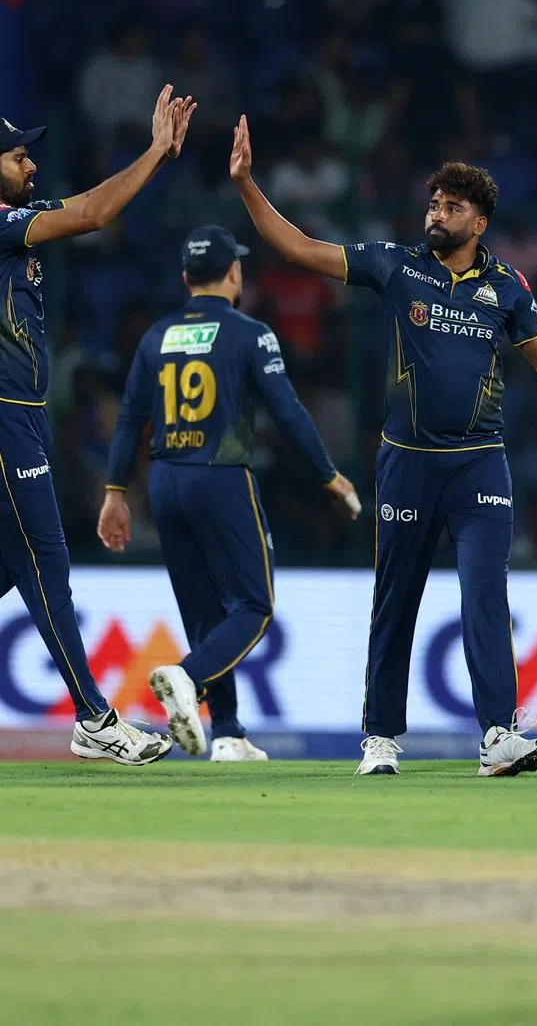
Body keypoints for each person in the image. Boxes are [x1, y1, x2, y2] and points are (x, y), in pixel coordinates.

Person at [228, 115, 537, 777]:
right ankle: (381, 740)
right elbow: (302, 248)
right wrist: (248, 185)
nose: (437, 213)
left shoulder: (507, 286)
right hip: (409, 463)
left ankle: (498, 737)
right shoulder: (397, 267)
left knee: (486, 594)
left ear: (479, 223)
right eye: (434, 203)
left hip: (481, 461)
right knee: (398, 596)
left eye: (452, 206)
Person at [97, 225, 360, 760]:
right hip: (220, 475)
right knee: (254, 606)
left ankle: (229, 732)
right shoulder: (249, 333)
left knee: (204, 613)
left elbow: (128, 419)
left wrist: (115, 491)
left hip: (165, 481)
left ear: (185, 278)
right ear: (235, 273)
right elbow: (287, 410)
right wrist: (328, 473)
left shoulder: (157, 335)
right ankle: (188, 678)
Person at [0, 85, 193, 764]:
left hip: (20, 418)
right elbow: (89, 215)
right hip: (4, 421)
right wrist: (154, 150)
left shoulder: (16, 218)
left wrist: (154, 158)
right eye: (17, 155)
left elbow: (95, 208)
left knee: (13, 567)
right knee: (45, 562)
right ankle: (94, 718)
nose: (30, 167)